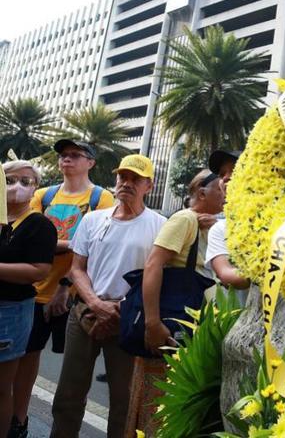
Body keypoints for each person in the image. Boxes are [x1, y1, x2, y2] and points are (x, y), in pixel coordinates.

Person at [50, 155, 165, 438]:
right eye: (122, 177)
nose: (126, 184)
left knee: (124, 402)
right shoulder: (93, 219)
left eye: (135, 179)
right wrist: (95, 303)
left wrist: (120, 310)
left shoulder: (160, 225)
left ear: (148, 185)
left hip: (129, 320)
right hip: (85, 312)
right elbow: (77, 268)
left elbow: (158, 277)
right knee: (68, 395)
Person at [10, 140, 114, 437]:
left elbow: (94, 249)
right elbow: (24, 233)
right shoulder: (44, 195)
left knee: (73, 374)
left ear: (90, 162)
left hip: (75, 296)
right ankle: (19, 420)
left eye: (74, 155)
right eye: (63, 156)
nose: (66, 160)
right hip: (35, 291)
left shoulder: (101, 199)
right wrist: (70, 244)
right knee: (24, 361)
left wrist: (64, 282)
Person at [126, 168, 224, 436]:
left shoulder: (208, 224)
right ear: (202, 192)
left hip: (190, 326)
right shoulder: (184, 219)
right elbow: (153, 264)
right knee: (157, 400)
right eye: (221, 187)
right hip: (170, 325)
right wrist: (153, 323)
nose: (227, 192)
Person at [0, 161, 57, 438]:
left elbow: (38, 271)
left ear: (35, 188)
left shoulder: (39, 225)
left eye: (26, 181)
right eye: (10, 179)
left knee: (1, 386)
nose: (17, 186)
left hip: (9, 312)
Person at [205, 149, 250, 300]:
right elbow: (226, 275)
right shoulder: (220, 229)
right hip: (239, 321)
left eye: (234, 170)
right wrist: (273, 269)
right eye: (222, 174)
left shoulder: (283, 221)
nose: (226, 178)